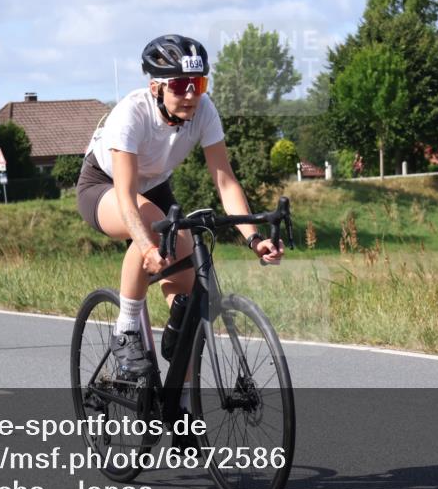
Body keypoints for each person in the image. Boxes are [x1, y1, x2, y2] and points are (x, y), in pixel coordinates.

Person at [76, 34, 284, 390]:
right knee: (151, 227)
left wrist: (254, 238)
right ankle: (126, 330)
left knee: (187, 306)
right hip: (106, 185)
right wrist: (144, 247)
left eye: (198, 83)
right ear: (156, 87)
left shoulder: (203, 110)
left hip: (154, 186)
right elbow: (126, 197)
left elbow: (226, 182)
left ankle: (182, 416)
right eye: (181, 85)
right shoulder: (132, 114)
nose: (191, 94)